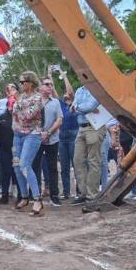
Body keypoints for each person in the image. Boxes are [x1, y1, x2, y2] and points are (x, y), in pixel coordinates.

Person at [11, 71, 44, 216]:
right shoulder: (21, 97)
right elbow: (14, 114)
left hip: (32, 134)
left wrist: (18, 105)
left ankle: (37, 199)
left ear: (30, 83)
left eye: (22, 82)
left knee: (25, 165)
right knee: (17, 166)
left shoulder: (38, 98)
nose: (20, 85)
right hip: (17, 135)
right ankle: (24, 197)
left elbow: (28, 116)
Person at [71, 85, 106, 204]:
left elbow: (90, 106)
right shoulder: (79, 90)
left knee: (93, 161)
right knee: (77, 160)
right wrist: (80, 108)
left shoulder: (97, 88)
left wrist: (77, 107)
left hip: (95, 127)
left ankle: (92, 195)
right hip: (81, 128)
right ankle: (83, 193)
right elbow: (74, 109)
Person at [33, 77, 63, 206]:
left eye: (51, 84)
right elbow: (29, 119)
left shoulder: (55, 102)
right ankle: (35, 194)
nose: (50, 86)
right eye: (47, 84)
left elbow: (59, 120)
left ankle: (54, 195)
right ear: (40, 87)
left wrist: (48, 132)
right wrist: (40, 133)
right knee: (35, 167)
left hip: (52, 138)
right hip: (36, 138)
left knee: (52, 168)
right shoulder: (33, 101)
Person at [56, 70, 78, 199]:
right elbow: (53, 91)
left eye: (67, 95)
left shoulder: (75, 103)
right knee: (64, 167)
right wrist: (49, 74)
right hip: (62, 136)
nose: (65, 95)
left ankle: (80, 192)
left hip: (74, 135)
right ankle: (66, 192)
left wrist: (64, 76)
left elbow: (70, 91)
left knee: (76, 165)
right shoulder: (61, 104)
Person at [0, 83, 18, 204]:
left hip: (18, 148)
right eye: (10, 102)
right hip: (4, 148)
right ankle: (4, 195)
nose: (11, 104)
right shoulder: (2, 117)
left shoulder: (21, 116)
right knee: (5, 171)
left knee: (18, 170)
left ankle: (21, 195)